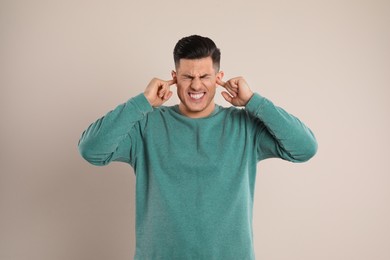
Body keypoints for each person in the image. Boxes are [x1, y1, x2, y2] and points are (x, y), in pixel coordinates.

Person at [78, 35, 317, 260]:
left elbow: (304, 148)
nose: (196, 86)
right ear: (174, 76)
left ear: (218, 77)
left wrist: (254, 101)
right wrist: (142, 102)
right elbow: (92, 150)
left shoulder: (244, 126)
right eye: (187, 77)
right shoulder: (147, 124)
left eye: (204, 76)